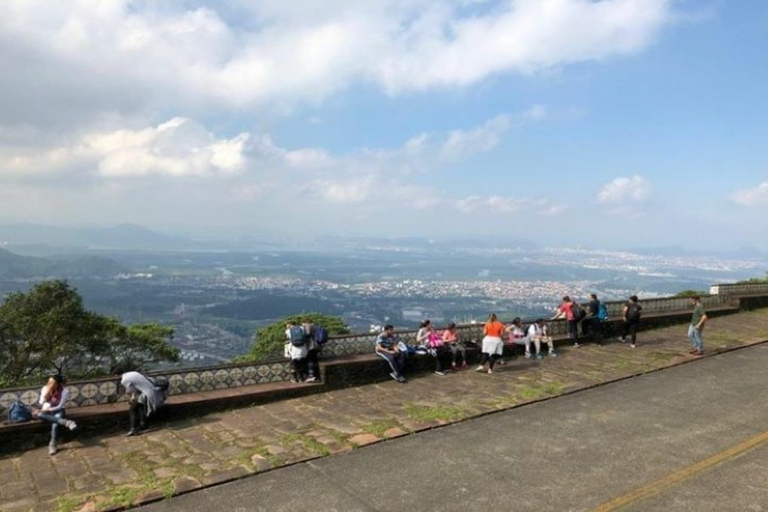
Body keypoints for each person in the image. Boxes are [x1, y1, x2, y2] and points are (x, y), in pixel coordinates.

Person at [34, 374, 77, 455]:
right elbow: (41, 402)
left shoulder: (64, 391)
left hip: (58, 410)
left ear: (57, 384)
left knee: (55, 424)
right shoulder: (45, 388)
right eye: (48, 382)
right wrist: (48, 391)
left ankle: (52, 445)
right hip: (44, 411)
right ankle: (66, 422)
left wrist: (48, 409)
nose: (49, 384)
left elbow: (59, 406)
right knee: (39, 414)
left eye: (52, 383)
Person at [120, 370, 169, 437]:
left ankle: (133, 429)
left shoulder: (124, 380)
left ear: (116, 375)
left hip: (148, 393)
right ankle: (143, 424)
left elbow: (132, 391)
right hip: (154, 392)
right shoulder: (134, 373)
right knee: (140, 406)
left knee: (133, 409)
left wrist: (132, 398)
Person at [302, 318, 320, 383]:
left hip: (310, 346)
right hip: (316, 345)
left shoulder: (308, 325)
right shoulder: (315, 326)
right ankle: (317, 376)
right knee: (315, 360)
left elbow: (308, 333)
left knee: (310, 360)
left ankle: (311, 376)